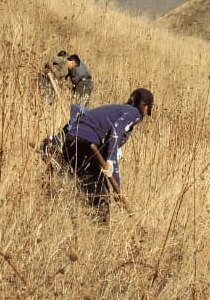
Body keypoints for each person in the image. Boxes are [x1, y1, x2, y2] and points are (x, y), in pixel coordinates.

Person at [58, 88, 154, 222]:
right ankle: (100, 232)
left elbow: (77, 109)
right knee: (100, 198)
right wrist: (110, 160)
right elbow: (116, 133)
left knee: (75, 184)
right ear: (145, 106)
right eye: (147, 111)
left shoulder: (115, 110)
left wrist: (117, 187)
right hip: (85, 145)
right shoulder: (133, 113)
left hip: (72, 140)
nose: (144, 115)